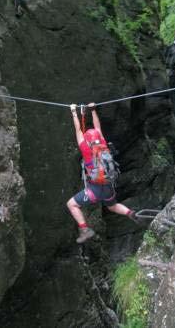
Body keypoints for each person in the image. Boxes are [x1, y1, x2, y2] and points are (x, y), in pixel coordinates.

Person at [67, 102, 139, 244]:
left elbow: (78, 131)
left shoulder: (86, 150)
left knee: (72, 204)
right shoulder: (103, 144)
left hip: (96, 189)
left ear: (87, 141)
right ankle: (130, 213)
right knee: (112, 206)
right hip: (108, 186)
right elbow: (98, 127)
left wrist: (74, 112)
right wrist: (93, 110)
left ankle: (85, 230)